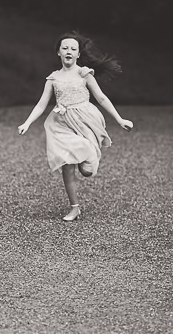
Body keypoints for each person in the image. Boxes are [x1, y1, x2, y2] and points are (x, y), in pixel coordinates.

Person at [17, 31, 133, 221]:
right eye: (65, 48)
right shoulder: (53, 78)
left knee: (86, 172)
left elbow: (101, 98)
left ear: (78, 54)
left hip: (85, 121)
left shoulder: (84, 73)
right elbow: (41, 104)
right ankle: (74, 208)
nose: (69, 51)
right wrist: (27, 123)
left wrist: (120, 119)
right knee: (66, 165)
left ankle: (88, 154)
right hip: (62, 124)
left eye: (73, 48)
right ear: (59, 53)